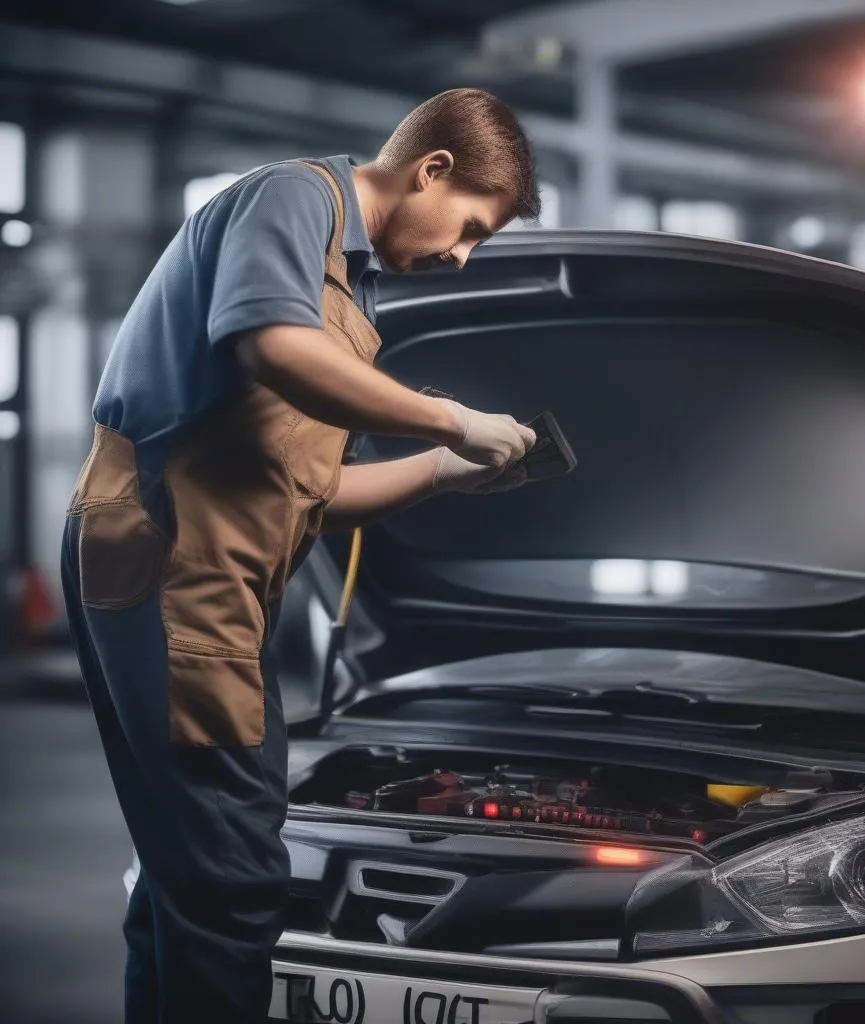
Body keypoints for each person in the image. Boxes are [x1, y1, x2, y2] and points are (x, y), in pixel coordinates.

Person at [60, 88, 540, 1023]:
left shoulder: (350, 294)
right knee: (234, 874)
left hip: (207, 578)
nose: (459, 255)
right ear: (431, 170)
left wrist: (442, 470)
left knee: (182, 874)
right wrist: (451, 416)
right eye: (471, 227)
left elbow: (311, 498)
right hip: (173, 566)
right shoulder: (298, 199)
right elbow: (270, 343)